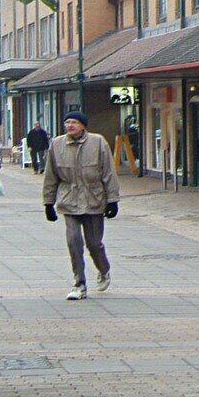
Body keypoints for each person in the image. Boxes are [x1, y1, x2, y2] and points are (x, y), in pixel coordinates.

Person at [42, 110, 120, 301]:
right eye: (67, 122)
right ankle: (79, 283)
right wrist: (48, 203)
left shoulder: (98, 142)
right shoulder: (57, 145)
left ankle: (103, 269)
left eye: (74, 122)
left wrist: (112, 200)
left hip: (94, 200)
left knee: (94, 243)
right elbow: (50, 175)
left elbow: (109, 172)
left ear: (83, 125)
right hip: (69, 201)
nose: (70, 125)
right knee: (74, 242)